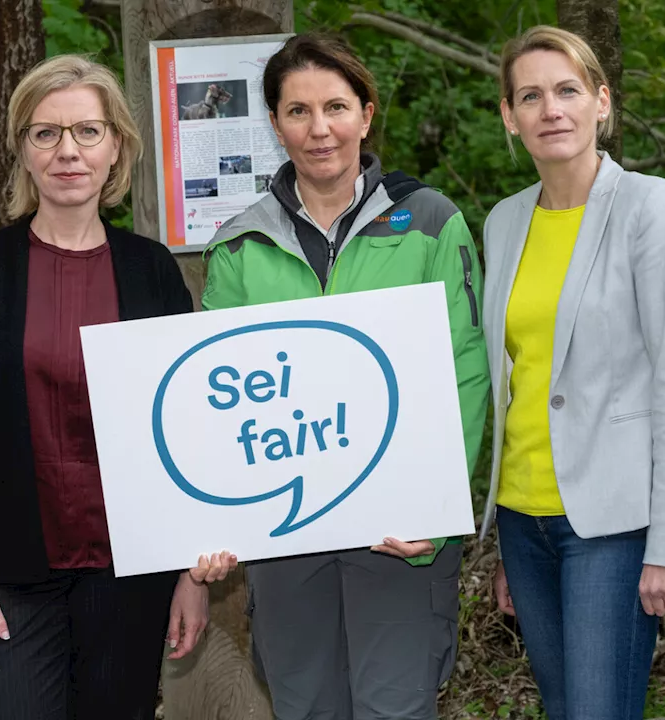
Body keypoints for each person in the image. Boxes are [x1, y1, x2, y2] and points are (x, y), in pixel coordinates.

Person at [0, 54, 230, 720]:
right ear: (23, 151)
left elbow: (186, 430)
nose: (68, 152)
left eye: (87, 131)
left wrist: (188, 575)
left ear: (116, 147)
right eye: (45, 133)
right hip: (4, 578)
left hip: (129, 575)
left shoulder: (152, 274)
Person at [200, 33, 491, 720]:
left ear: (366, 113)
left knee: (395, 708)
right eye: (298, 111)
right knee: (305, 709)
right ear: (274, 124)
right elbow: (216, 403)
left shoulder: (428, 222)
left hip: (398, 532)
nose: (319, 128)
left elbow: (466, 373)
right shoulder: (241, 243)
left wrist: (437, 505)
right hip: (287, 533)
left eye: (335, 106)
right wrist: (213, 518)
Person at [481, 25, 665, 720]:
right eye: (530, 96)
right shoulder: (503, 222)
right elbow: (516, 382)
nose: (551, 109)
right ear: (509, 117)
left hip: (612, 526)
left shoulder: (651, 208)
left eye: (567, 91)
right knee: (563, 708)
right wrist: (501, 542)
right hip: (524, 521)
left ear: (601, 103)